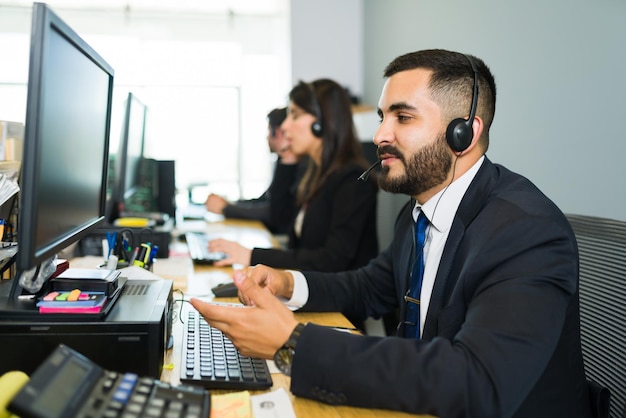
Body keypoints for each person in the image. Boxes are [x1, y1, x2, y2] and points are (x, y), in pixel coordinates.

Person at [190, 49, 592, 417]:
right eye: (383, 116)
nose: (381, 135)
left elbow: (476, 381)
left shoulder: (525, 231)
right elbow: (370, 287)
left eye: (403, 117)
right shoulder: (417, 212)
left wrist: (294, 342)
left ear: (463, 134)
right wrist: (287, 282)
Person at [208, 79, 379, 273]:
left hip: (339, 300)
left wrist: (252, 256)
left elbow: (332, 260)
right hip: (309, 288)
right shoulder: (315, 174)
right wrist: (287, 157)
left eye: (295, 115)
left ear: (321, 123)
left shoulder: (352, 180)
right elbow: (279, 215)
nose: (286, 126)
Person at [204, 107, 303, 235]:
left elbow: (275, 212)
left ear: (278, 132)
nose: (266, 138)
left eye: (268, 131)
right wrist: (229, 204)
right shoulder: (283, 161)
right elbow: (264, 201)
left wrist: (227, 209)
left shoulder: (299, 164)